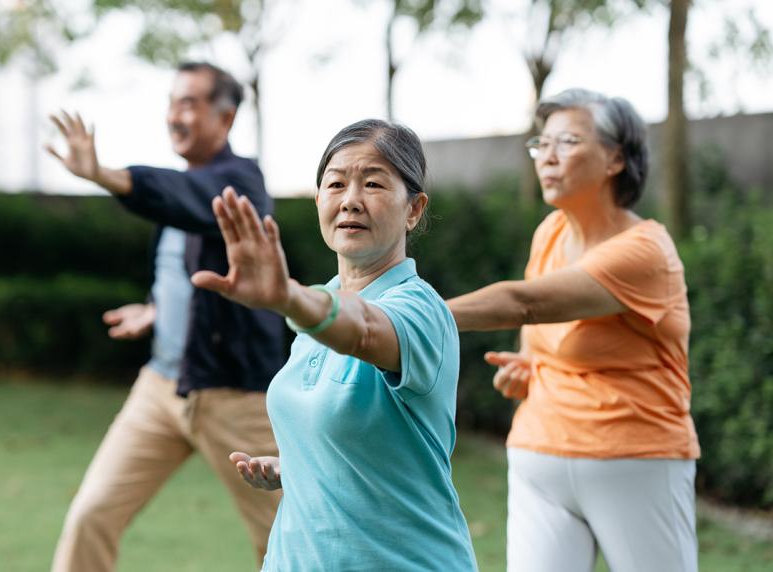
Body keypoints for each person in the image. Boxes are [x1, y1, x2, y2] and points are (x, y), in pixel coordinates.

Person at [191, 119, 478, 571]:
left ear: (414, 209)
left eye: (373, 183)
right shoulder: (317, 306)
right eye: (336, 183)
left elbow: (363, 329)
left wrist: (288, 296)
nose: (350, 200)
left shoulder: (421, 311)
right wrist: (299, 464)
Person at [447, 88, 700, 572]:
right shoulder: (551, 232)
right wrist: (527, 367)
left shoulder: (645, 251)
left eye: (567, 141)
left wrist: (411, 314)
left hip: (636, 460)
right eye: (542, 143)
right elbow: (537, 336)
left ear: (615, 159)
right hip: (539, 455)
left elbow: (526, 304)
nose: (548, 156)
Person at [46, 62, 285, 571]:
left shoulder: (240, 181)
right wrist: (158, 308)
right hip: (160, 388)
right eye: (173, 102)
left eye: (190, 103)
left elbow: (194, 203)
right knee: (91, 515)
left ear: (227, 116)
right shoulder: (185, 185)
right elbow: (189, 273)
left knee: (285, 536)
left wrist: (106, 175)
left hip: (236, 396)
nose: (175, 115)